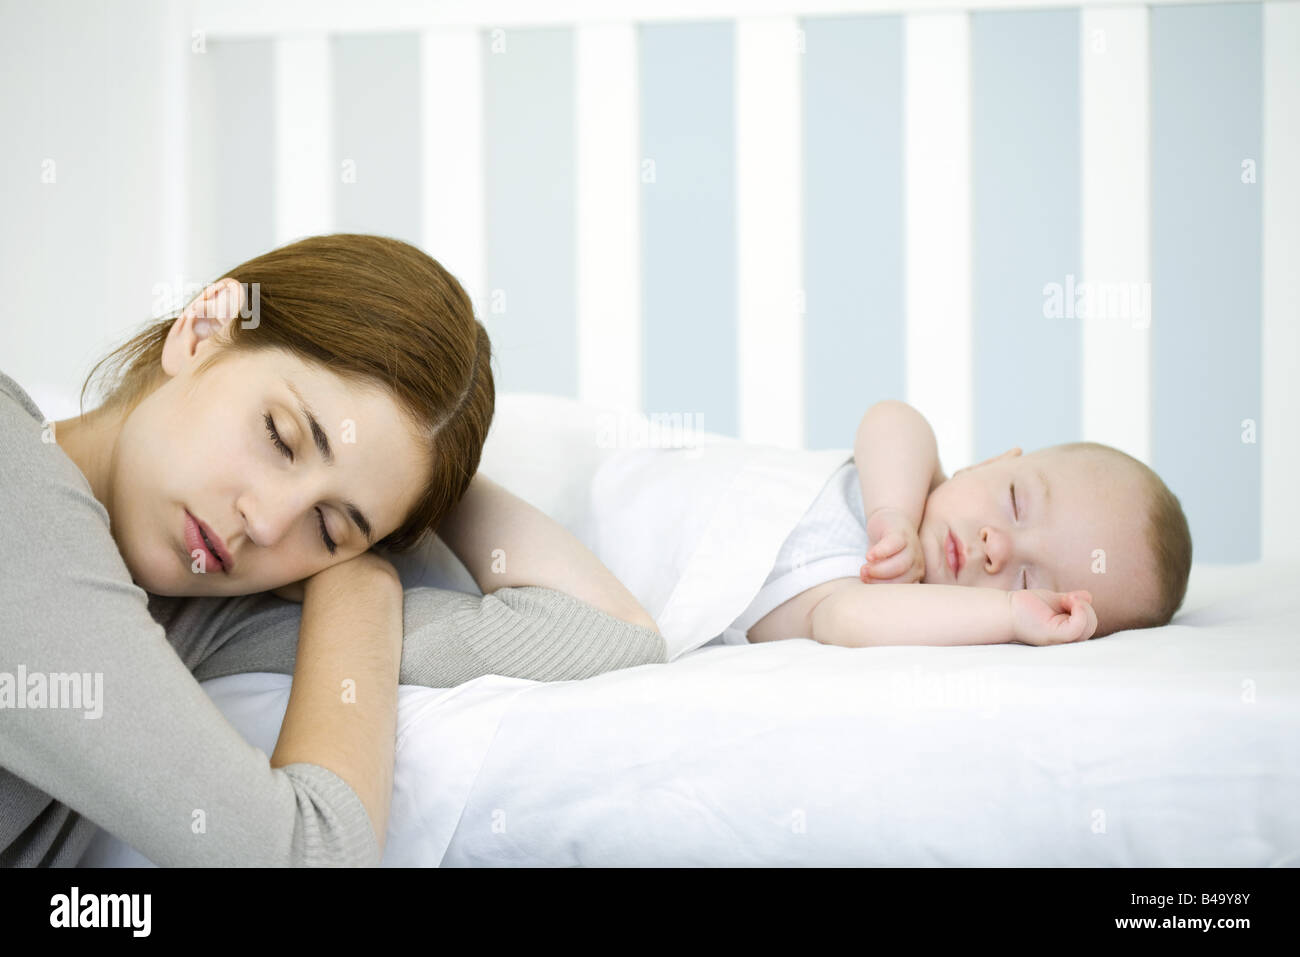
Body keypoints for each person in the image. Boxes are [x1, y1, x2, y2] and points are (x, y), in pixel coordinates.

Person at [0, 233, 663, 867]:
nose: (266, 522)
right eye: (281, 436)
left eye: (327, 526)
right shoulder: (15, 484)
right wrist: (367, 570)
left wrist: (418, 477)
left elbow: (608, 631)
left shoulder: (202, 610)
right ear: (202, 330)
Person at [721, 400, 1193, 648]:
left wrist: (1008, 616)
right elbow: (890, 418)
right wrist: (894, 514)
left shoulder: (889, 610)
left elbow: (845, 618)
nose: (996, 547)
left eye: (1026, 580)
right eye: (1015, 501)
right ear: (990, 463)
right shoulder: (912, 475)